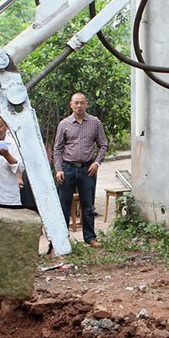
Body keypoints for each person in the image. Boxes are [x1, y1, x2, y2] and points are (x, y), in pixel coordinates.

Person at [52, 92, 109, 247]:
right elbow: (57, 149)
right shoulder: (64, 124)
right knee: (63, 205)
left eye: (82, 103)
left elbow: (104, 144)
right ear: (71, 104)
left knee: (88, 205)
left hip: (87, 169)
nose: (79, 106)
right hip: (68, 168)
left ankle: (90, 238)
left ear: (86, 104)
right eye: (76, 103)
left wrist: (97, 163)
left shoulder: (95, 123)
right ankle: (62, 239)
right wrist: (58, 169)